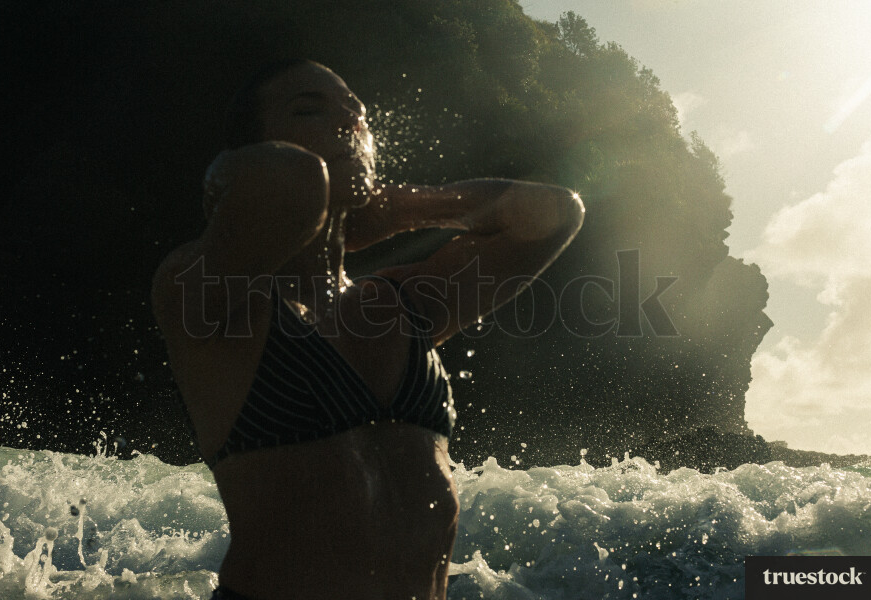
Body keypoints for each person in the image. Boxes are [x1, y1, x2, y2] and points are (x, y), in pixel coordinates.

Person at [151, 59, 584, 600]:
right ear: (248, 151)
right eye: (310, 109)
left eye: (357, 112)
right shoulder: (208, 296)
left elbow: (553, 211)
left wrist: (394, 208)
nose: (350, 122)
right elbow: (294, 182)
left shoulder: (403, 304)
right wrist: (343, 207)